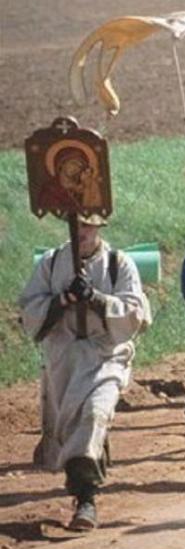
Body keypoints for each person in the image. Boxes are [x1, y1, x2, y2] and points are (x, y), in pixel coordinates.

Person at [18, 214, 152, 530]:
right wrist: (63, 299)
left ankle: (86, 498)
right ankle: (86, 475)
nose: (82, 232)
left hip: (106, 354)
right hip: (64, 357)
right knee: (73, 425)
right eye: (77, 225)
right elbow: (29, 309)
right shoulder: (52, 262)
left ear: (99, 227)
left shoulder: (119, 263)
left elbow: (134, 313)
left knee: (94, 413)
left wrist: (96, 298)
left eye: (89, 226)